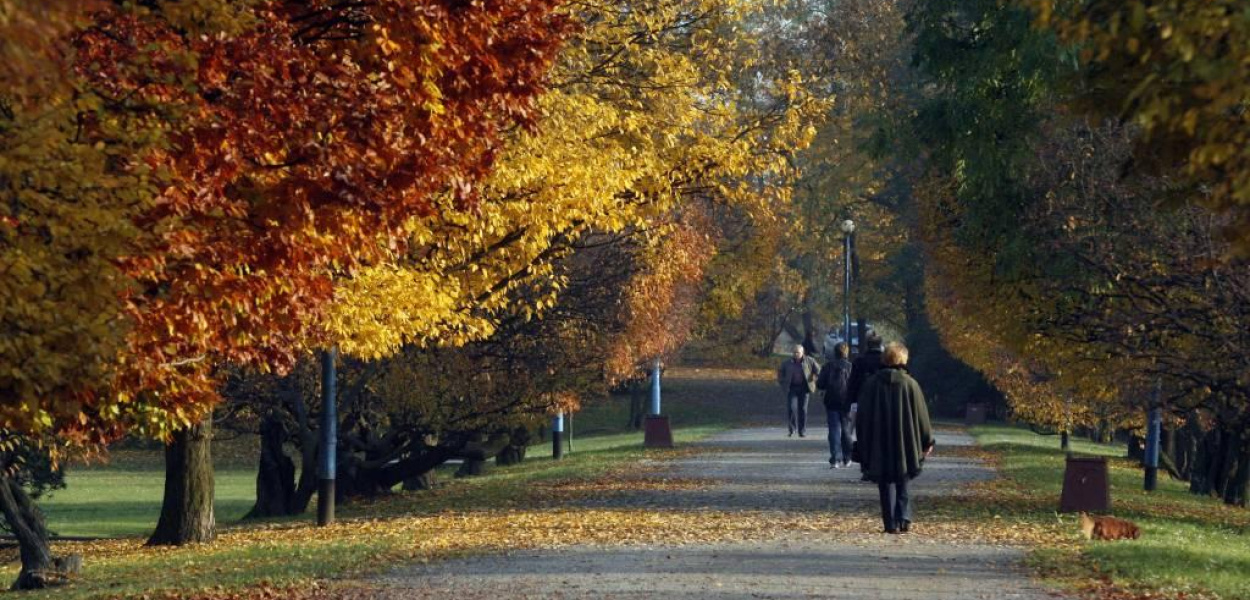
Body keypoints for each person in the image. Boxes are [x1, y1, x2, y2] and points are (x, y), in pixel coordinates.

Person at [857, 342, 934, 534]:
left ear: (884, 359)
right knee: (903, 476)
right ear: (903, 359)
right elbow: (922, 415)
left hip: (879, 440)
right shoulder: (911, 384)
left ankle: (890, 522)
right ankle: (903, 517)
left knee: (884, 482)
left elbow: (863, 417)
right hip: (906, 440)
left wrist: (862, 442)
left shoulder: (871, 384)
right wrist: (927, 440)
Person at [848, 331, 884, 479]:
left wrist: (850, 402)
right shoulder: (885, 361)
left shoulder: (859, 361)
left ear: (867, 345)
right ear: (880, 344)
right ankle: (879, 466)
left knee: (863, 436)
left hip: (863, 403)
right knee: (880, 436)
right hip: (882, 404)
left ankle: (866, 468)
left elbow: (852, 384)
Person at [816, 342, 853, 468]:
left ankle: (835, 458)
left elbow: (820, 384)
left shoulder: (828, 366)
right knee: (846, 429)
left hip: (831, 401)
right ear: (846, 352)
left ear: (834, 353)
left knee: (833, 429)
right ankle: (847, 457)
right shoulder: (850, 366)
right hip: (847, 402)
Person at [777, 344, 820, 437]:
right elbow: (780, 372)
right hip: (792, 387)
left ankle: (802, 430)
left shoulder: (809, 360)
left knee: (803, 409)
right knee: (791, 408)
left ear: (802, 353)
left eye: (798, 352)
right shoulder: (787, 362)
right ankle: (792, 429)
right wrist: (782, 381)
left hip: (804, 388)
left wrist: (814, 377)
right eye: (794, 352)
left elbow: (818, 370)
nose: (796, 354)